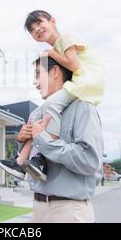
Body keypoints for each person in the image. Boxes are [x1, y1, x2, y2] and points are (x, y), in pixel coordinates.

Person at [0, 10, 106, 182]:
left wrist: (50, 53)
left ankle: (45, 149)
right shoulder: (57, 49)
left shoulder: (65, 39)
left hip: (86, 82)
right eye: (32, 30)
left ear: (52, 21)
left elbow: (74, 65)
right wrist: (21, 137)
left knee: (49, 107)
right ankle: (19, 162)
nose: (37, 29)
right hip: (79, 83)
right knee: (37, 115)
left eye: (39, 23)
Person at [22, 56, 104, 223]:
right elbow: (33, 163)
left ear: (55, 72)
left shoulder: (83, 108)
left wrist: (44, 141)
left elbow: (89, 160)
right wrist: (23, 140)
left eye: (38, 74)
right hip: (38, 208)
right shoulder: (37, 114)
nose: (34, 82)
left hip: (68, 211)